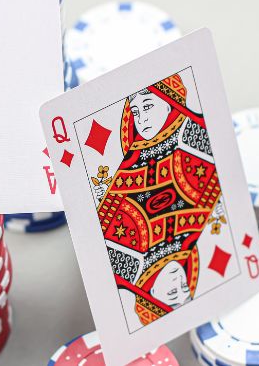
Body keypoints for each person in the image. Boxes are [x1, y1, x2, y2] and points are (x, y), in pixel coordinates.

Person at [94, 74, 222, 327]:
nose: (142, 119)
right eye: (135, 111)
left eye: (148, 106)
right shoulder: (131, 166)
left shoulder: (122, 267)